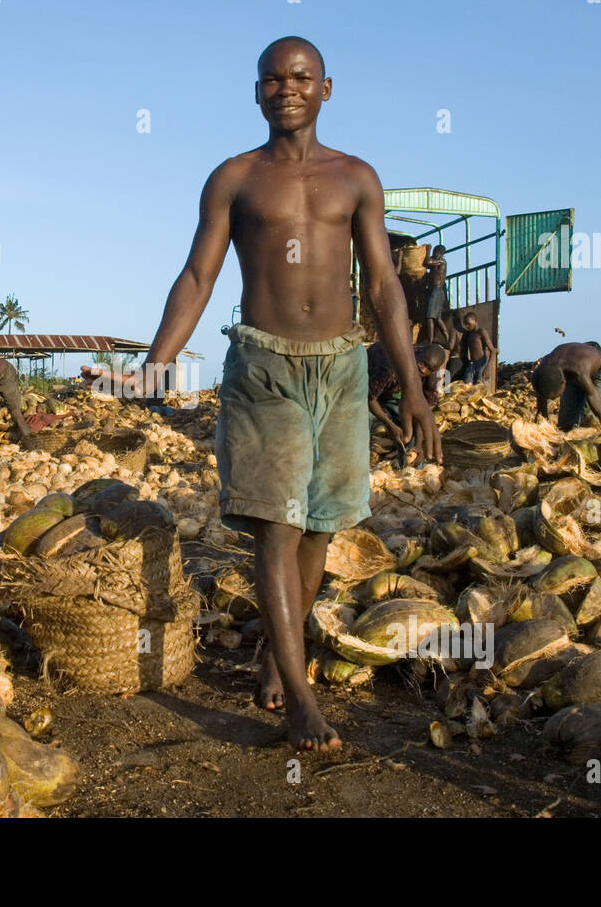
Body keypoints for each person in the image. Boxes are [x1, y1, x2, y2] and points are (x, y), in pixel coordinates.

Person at [127, 37, 440, 751]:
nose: (286, 88)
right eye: (272, 79)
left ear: (326, 89)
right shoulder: (234, 179)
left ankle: (278, 648)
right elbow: (197, 277)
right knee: (279, 523)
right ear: (257, 92)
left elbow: (386, 285)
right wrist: (156, 361)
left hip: (342, 366)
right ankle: (300, 697)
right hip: (265, 364)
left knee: (322, 524)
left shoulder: (356, 178)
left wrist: (413, 393)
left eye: (300, 78)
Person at [369, 343, 447, 466]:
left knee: (410, 437)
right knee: (368, 425)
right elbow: (370, 398)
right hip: (369, 384)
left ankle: (408, 469)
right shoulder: (391, 367)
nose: (423, 369)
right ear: (416, 353)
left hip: (394, 392)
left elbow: (421, 413)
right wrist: (389, 424)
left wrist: (417, 445)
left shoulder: (431, 380)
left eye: (429, 369)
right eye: (423, 363)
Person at [532, 341, 601, 431]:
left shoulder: (578, 371)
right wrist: (543, 424)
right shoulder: (540, 373)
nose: (554, 400)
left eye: (556, 396)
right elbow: (541, 398)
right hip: (575, 358)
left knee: (590, 419)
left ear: (563, 382)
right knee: (565, 423)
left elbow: (593, 397)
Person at [422, 245, 450, 346]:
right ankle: (447, 340)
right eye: (433, 252)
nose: (434, 254)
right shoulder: (436, 265)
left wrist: (427, 250)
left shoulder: (442, 261)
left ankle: (430, 340)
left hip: (436, 292)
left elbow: (426, 262)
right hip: (436, 291)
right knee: (437, 318)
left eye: (435, 252)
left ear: (440, 253)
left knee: (430, 317)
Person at [460, 311, 495, 386]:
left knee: (480, 387)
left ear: (475, 321)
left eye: (469, 324)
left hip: (481, 363)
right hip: (472, 364)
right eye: (465, 324)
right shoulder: (469, 333)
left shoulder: (481, 332)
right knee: (467, 385)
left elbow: (493, 351)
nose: (467, 326)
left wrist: (488, 367)